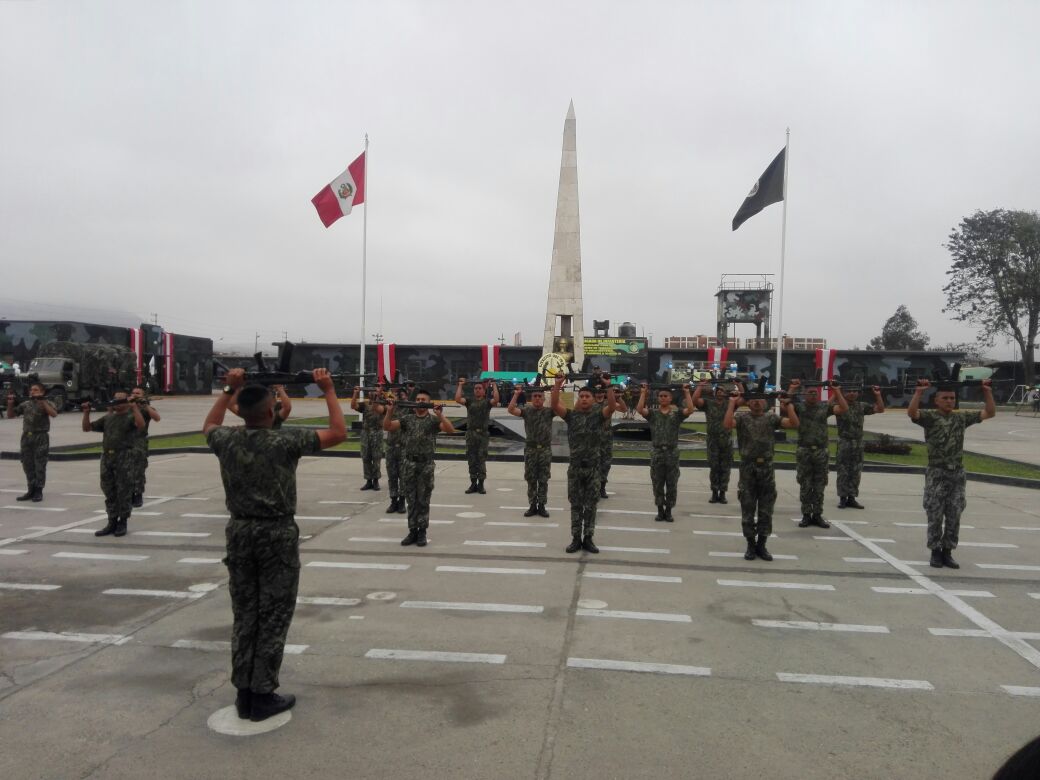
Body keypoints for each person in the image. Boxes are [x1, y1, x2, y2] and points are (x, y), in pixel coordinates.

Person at [204, 367, 345, 722]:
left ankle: (244, 693)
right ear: (271, 411)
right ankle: (262, 694)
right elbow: (339, 433)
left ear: (241, 411)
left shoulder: (227, 440)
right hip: (275, 534)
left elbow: (209, 425)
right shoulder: (285, 442)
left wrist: (229, 389)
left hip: (239, 533)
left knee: (245, 614)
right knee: (273, 615)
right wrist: (328, 390)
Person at [908, 378, 995, 569]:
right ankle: (935, 551)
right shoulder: (930, 417)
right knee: (935, 513)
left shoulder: (960, 418)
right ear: (936, 401)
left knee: (955, 514)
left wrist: (987, 391)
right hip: (937, 473)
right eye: (945, 398)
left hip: (957, 474)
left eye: (952, 398)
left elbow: (989, 412)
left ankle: (948, 551)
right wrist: (919, 392)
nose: (949, 401)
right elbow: (912, 413)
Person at [723, 388, 799, 561]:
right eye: (753, 399)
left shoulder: (771, 418)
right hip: (748, 467)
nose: (757, 402)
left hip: (766, 467)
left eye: (760, 399)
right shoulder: (742, 418)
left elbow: (794, 424)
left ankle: (762, 545)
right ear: (748, 402)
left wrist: (789, 406)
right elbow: (727, 424)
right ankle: (750, 544)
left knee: (766, 509)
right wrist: (731, 404)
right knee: (747, 507)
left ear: (765, 402)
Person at [551, 375, 617, 553]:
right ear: (578, 399)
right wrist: (557, 385)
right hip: (575, 468)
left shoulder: (598, 416)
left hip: (593, 469)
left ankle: (588, 538)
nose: (584, 399)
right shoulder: (571, 416)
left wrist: (609, 386)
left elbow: (612, 407)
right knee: (576, 504)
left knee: (591, 505)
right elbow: (555, 405)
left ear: (593, 399)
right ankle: (575, 538)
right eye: (582, 396)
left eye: (588, 396)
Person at [383, 389, 456, 546]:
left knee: (423, 500)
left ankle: (422, 532)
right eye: (417, 399)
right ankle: (412, 531)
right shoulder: (407, 419)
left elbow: (450, 429)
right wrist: (389, 411)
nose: (420, 401)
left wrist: (440, 415)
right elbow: (387, 426)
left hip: (425, 466)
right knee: (411, 500)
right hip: (409, 465)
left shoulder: (433, 421)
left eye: (423, 399)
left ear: (428, 403)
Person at [82, 391, 146, 537]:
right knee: (109, 490)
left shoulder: (130, 416)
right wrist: (86, 413)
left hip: (124, 457)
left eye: (120, 400)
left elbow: (141, 425)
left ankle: (122, 521)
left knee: (123, 491)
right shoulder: (108, 418)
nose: (116, 402)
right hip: (107, 458)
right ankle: (111, 521)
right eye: (115, 399)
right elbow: (87, 428)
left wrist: (134, 407)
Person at [789, 380, 848, 529]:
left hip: (821, 451)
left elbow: (843, 408)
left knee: (820, 484)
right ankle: (806, 514)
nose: (813, 395)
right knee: (805, 484)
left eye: (815, 393)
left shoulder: (824, 407)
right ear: (805, 394)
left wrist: (837, 391)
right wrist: (792, 388)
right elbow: (785, 403)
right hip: (805, 450)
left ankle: (817, 514)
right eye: (810, 393)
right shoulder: (800, 407)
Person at [636, 382, 694, 521]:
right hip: (657, 453)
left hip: (672, 453)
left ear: (670, 398)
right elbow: (640, 409)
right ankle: (660, 510)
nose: (662, 398)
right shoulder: (653, 414)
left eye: (665, 396)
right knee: (657, 483)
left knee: (672, 484)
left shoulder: (676, 414)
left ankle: (668, 510)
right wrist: (643, 393)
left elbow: (690, 410)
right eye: (660, 396)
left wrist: (687, 392)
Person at [507, 384, 553, 517]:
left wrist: (554, 391)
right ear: (531, 399)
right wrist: (516, 394)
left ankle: (542, 505)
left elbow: (559, 406)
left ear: (544, 398)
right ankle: (532, 505)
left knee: (543, 479)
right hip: (531, 450)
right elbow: (511, 410)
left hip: (544, 449)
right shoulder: (527, 411)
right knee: (531, 479)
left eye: (540, 396)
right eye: (535, 396)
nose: (537, 398)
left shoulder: (549, 411)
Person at [6, 383, 57, 502]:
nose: (32, 392)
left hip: (41, 437)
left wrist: (43, 401)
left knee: (40, 465)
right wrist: (10, 404)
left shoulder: (48, 403)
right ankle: (31, 489)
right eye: (31, 390)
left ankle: (38, 490)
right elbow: (10, 415)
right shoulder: (26, 404)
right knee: (27, 464)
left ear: (42, 392)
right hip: (26, 437)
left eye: (36, 390)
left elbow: (54, 414)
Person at [836, 385, 884, 509]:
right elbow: (827, 406)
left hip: (858, 443)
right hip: (845, 442)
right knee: (843, 471)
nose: (852, 393)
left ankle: (852, 497)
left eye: (855, 391)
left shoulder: (861, 406)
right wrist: (836, 392)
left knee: (856, 471)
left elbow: (880, 409)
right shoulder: (839, 406)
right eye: (849, 391)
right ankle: (842, 498)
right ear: (844, 393)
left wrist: (877, 395)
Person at [455, 378, 499, 494]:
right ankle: (473, 483)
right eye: (475, 388)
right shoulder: (469, 401)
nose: (477, 390)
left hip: (483, 434)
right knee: (471, 459)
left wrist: (494, 385)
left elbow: (496, 399)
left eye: (480, 388)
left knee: (481, 458)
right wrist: (460, 385)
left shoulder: (487, 402)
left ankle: (481, 484)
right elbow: (458, 399)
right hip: (471, 433)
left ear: (484, 391)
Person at [693, 381, 734, 504]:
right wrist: (700, 386)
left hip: (726, 439)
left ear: (726, 393)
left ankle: (723, 493)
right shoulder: (708, 403)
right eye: (718, 391)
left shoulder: (730, 403)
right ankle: (714, 492)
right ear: (715, 393)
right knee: (714, 467)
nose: (720, 392)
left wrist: (739, 386)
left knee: (725, 467)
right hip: (713, 440)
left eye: (722, 391)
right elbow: (695, 400)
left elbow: (743, 399)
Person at [591, 377, 627, 499]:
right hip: (593, 438)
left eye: (601, 392)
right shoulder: (590, 403)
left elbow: (623, 409)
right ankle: (593, 486)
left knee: (605, 464)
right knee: (593, 463)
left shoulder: (608, 403)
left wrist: (618, 397)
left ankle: (602, 487)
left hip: (606, 438)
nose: (599, 394)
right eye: (597, 392)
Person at [128, 385, 161, 508]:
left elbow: (157, 418)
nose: (134, 395)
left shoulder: (145, 408)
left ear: (143, 396)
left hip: (139, 442)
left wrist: (145, 405)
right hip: (125, 442)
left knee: (138, 469)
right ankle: (128, 493)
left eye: (138, 393)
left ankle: (138, 494)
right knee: (125, 469)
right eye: (133, 393)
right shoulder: (127, 407)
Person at [351, 386, 385, 490]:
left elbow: (377, 409)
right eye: (371, 391)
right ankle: (368, 480)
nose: (372, 392)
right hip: (366, 433)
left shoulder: (383, 404)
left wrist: (377, 396)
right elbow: (353, 406)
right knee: (365, 457)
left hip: (377, 433)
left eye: (374, 391)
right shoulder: (365, 404)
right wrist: (355, 393)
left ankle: (376, 480)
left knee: (376, 457)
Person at [384, 387, 409, 514]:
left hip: (404, 447)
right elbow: (379, 409)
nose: (400, 396)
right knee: (392, 475)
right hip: (391, 446)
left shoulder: (409, 408)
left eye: (403, 394)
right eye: (399, 395)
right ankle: (393, 500)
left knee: (403, 476)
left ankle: (402, 501)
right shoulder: (390, 408)